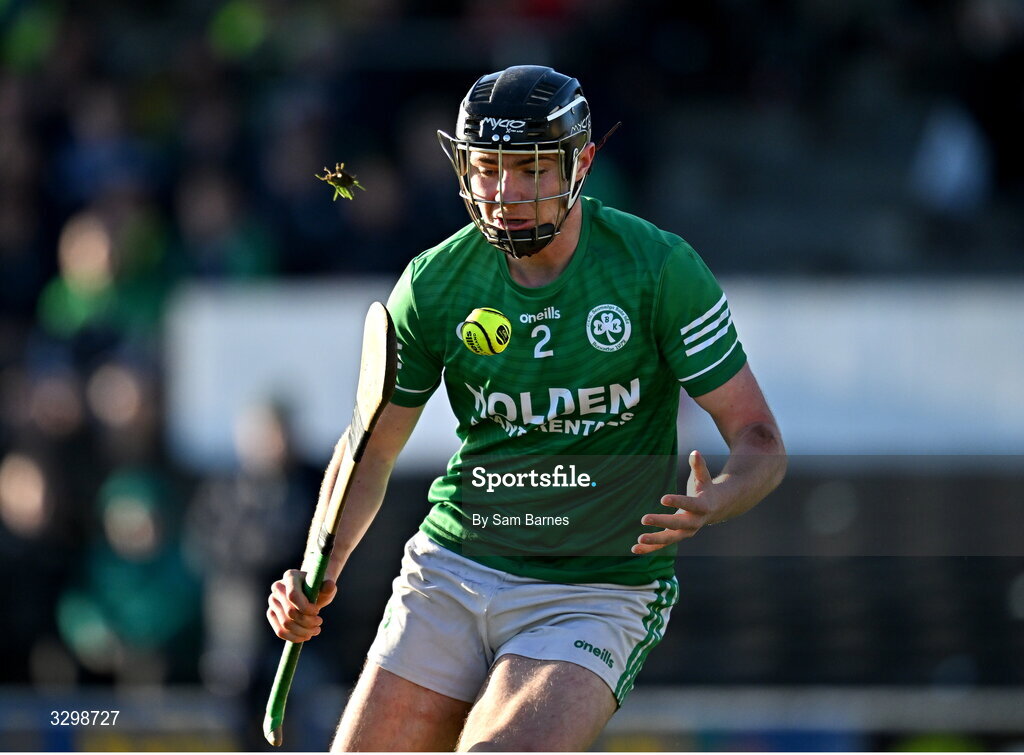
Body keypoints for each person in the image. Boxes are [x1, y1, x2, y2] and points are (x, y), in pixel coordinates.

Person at [267, 64, 786, 751]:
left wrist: (718, 498)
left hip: (597, 590)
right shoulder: (433, 283)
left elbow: (759, 438)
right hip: (454, 567)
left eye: (532, 168)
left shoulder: (659, 269)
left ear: (582, 164)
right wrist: (318, 570)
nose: (505, 194)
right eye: (487, 168)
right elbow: (372, 446)